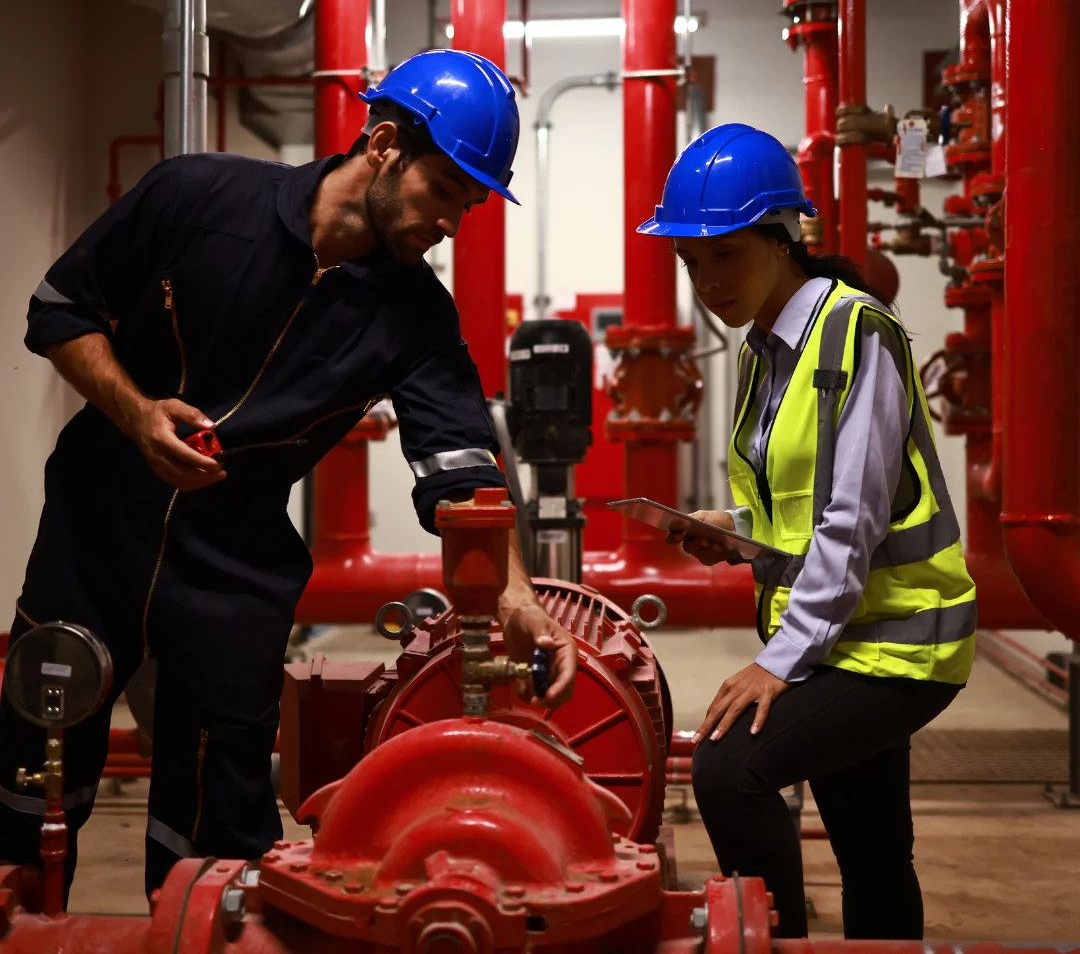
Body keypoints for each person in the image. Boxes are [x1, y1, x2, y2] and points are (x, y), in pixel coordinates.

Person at [0, 49, 578, 901]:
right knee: (31, 777)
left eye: (472, 203)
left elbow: (460, 464)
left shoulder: (414, 314)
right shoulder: (195, 199)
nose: (455, 222)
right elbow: (60, 310)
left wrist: (518, 592)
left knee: (221, 820)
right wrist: (136, 412)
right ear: (383, 144)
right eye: (447, 192)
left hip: (235, 562)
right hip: (96, 528)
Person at [639, 124, 976, 940]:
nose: (705, 281)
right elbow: (810, 502)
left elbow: (854, 518)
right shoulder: (767, 347)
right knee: (871, 854)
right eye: (690, 263)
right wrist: (737, 526)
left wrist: (777, 663)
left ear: (783, 238)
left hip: (900, 643)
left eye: (723, 254)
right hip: (847, 635)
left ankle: (772, 939)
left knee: (729, 769)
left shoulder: (854, 334)